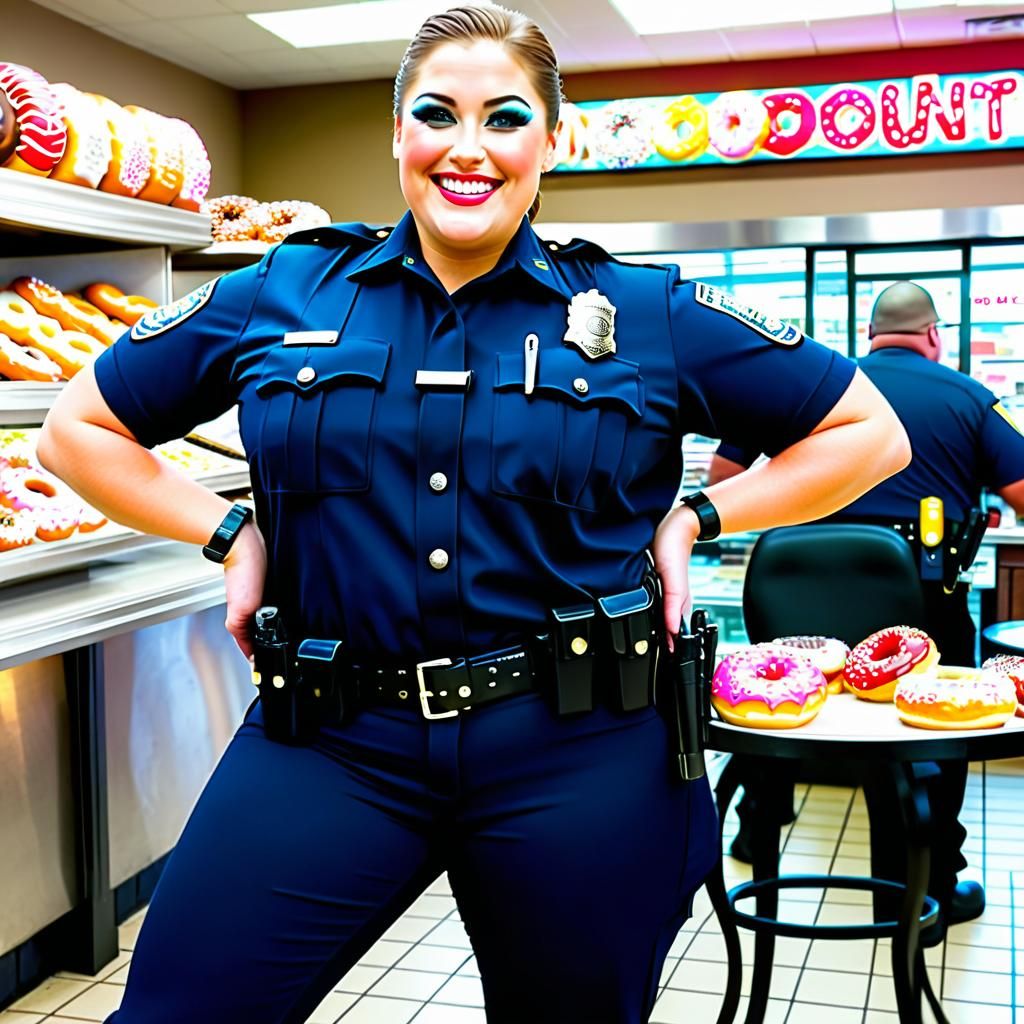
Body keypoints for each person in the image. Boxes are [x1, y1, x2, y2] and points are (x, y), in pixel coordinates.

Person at [37, 6, 908, 1022]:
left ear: (553, 139)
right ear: (397, 133)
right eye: (435, 114)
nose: (466, 147)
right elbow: (78, 427)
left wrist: (694, 520)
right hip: (328, 737)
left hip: (578, 744)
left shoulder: (644, 309)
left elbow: (866, 431)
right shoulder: (283, 286)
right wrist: (231, 532)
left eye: (503, 118)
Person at [719, 281, 1024, 930]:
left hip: (794, 599)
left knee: (776, 703)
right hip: (918, 606)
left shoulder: (814, 387)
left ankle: (756, 832)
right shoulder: (970, 397)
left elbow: (723, 482)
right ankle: (932, 883)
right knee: (935, 727)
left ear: (868, 335)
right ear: (935, 336)